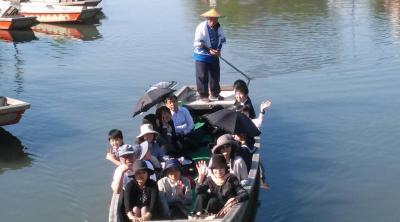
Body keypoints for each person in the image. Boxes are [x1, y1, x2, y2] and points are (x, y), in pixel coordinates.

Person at [193, 8, 226, 102]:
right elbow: (199, 42)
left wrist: (218, 51)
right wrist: (209, 50)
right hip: (201, 55)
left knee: (215, 75)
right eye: (211, 18)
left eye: (215, 19)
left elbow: (221, 40)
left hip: (214, 55)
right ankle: (203, 95)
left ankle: (215, 94)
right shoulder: (201, 27)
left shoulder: (219, 27)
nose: (213, 21)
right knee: (202, 76)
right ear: (207, 18)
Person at [110, 144, 137, 222]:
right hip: (127, 196)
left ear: (134, 155)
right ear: (120, 159)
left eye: (130, 156)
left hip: (141, 193)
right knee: (119, 201)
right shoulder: (118, 170)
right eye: (125, 157)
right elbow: (117, 191)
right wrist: (122, 173)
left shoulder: (141, 165)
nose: (128, 159)